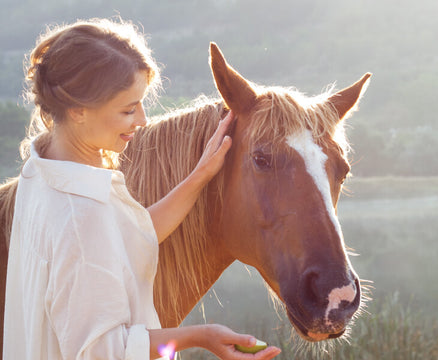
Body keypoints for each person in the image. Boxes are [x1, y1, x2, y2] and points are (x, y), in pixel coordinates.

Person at [3, 18, 282, 360]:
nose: (143, 119)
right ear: (78, 111)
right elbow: (102, 352)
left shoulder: (43, 172)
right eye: (128, 109)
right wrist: (202, 335)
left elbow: (127, 236)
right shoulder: (80, 216)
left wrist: (199, 175)